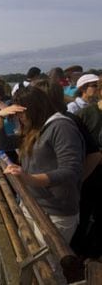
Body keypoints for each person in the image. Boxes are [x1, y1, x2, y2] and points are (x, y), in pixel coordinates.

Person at [0, 86, 85, 247]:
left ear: (35, 108)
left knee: (49, 267)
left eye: (21, 112)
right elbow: (1, 144)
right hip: (32, 203)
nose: (19, 118)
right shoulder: (34, 128)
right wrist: (0, 117)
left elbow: (71, 170)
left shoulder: (61, 127)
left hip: (56, 212)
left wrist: (29, 179)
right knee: (30, 256)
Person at [72, 80, 102, 259]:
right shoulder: (85, 115)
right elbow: (74, 147)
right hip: (87, 177)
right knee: (81, 217)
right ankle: (75, 257)